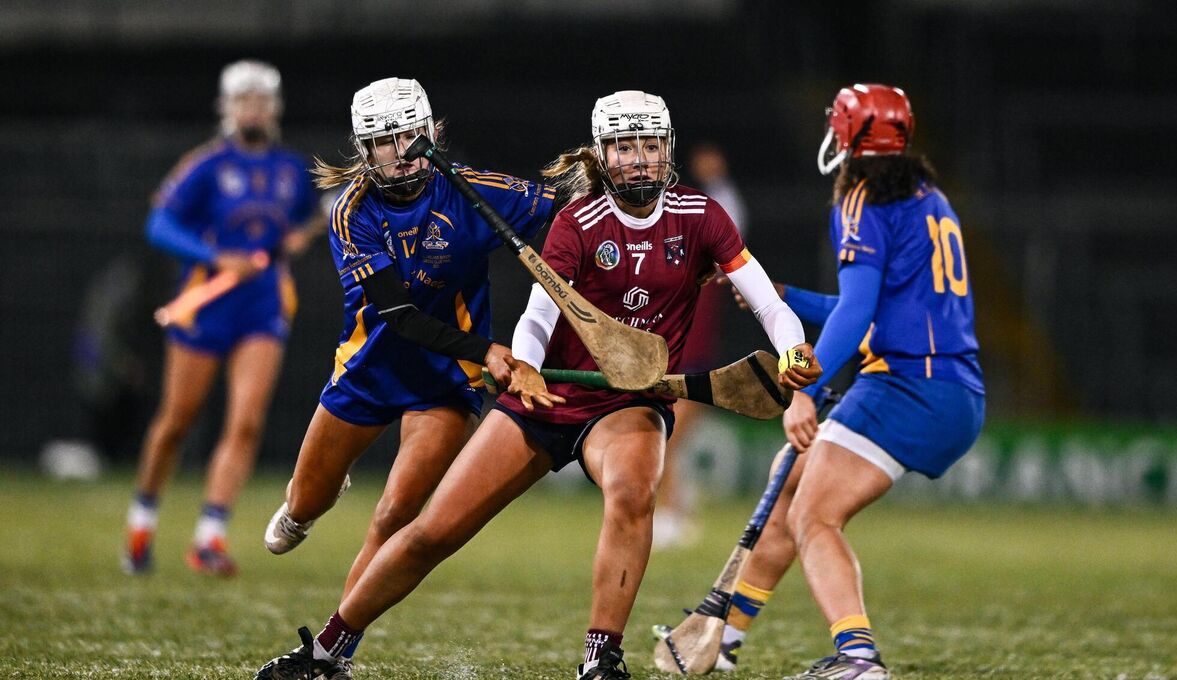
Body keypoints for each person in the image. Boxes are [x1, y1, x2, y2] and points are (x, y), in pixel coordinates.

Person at [254, 90, 822, 680]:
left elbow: (763, 297)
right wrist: (521, 367)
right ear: (603, 155)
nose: (640, 160)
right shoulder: (578, 223)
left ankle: (601, 660)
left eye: (650, 145)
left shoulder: (701, 217)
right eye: (625, 148)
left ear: (667, 149)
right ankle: (326, 651)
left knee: (632, 492)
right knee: (430, 533)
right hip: (544, 397)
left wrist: (791, 347)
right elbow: (538, 316)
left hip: (628, 403)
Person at [661, 84, 986, 680]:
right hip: (955, 393)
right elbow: (877, 308)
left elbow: (860, 314)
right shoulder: (929, 198)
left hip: (907, 387)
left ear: (851, 140)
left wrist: (801, 388)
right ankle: (725, 638)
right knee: (790, 487)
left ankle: (859, 658)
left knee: (813, 517)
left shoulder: (860, 200)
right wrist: (789, 298)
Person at [260, 77, 560, 675]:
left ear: (430, 134)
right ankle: (308, 502)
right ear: (361, 149)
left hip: (447, 382)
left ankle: (332, 651)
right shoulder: (352, 212)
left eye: (405, 137)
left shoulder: (473, 191)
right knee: (303, 504)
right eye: (379, 143)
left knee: (396, 514)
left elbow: (566, 217)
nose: (395, 152)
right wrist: (493, 349)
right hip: (370, 370)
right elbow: (398, 316)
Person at [123, 60, 321, 577]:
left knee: (247, 421)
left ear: (273, 108)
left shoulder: (289, 169)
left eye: (260, 100)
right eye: (242, 99)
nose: (251, 108)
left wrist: (307, 231)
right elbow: (160, 224)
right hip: (205, 304)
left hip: (263, 306)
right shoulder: (206, 166)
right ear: (227, 108)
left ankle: (209, 537)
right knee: (176, 421)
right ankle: (142, 519)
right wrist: (212, 255)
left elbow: (321, 208)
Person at [654, 142, 750, 550]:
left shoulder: (708, 258)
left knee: (664, 440)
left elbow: (730, 217)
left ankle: (673, 516)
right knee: (665, 440)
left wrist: (716, 179)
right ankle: (678, 510)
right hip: (679, 358)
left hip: (690, 361)